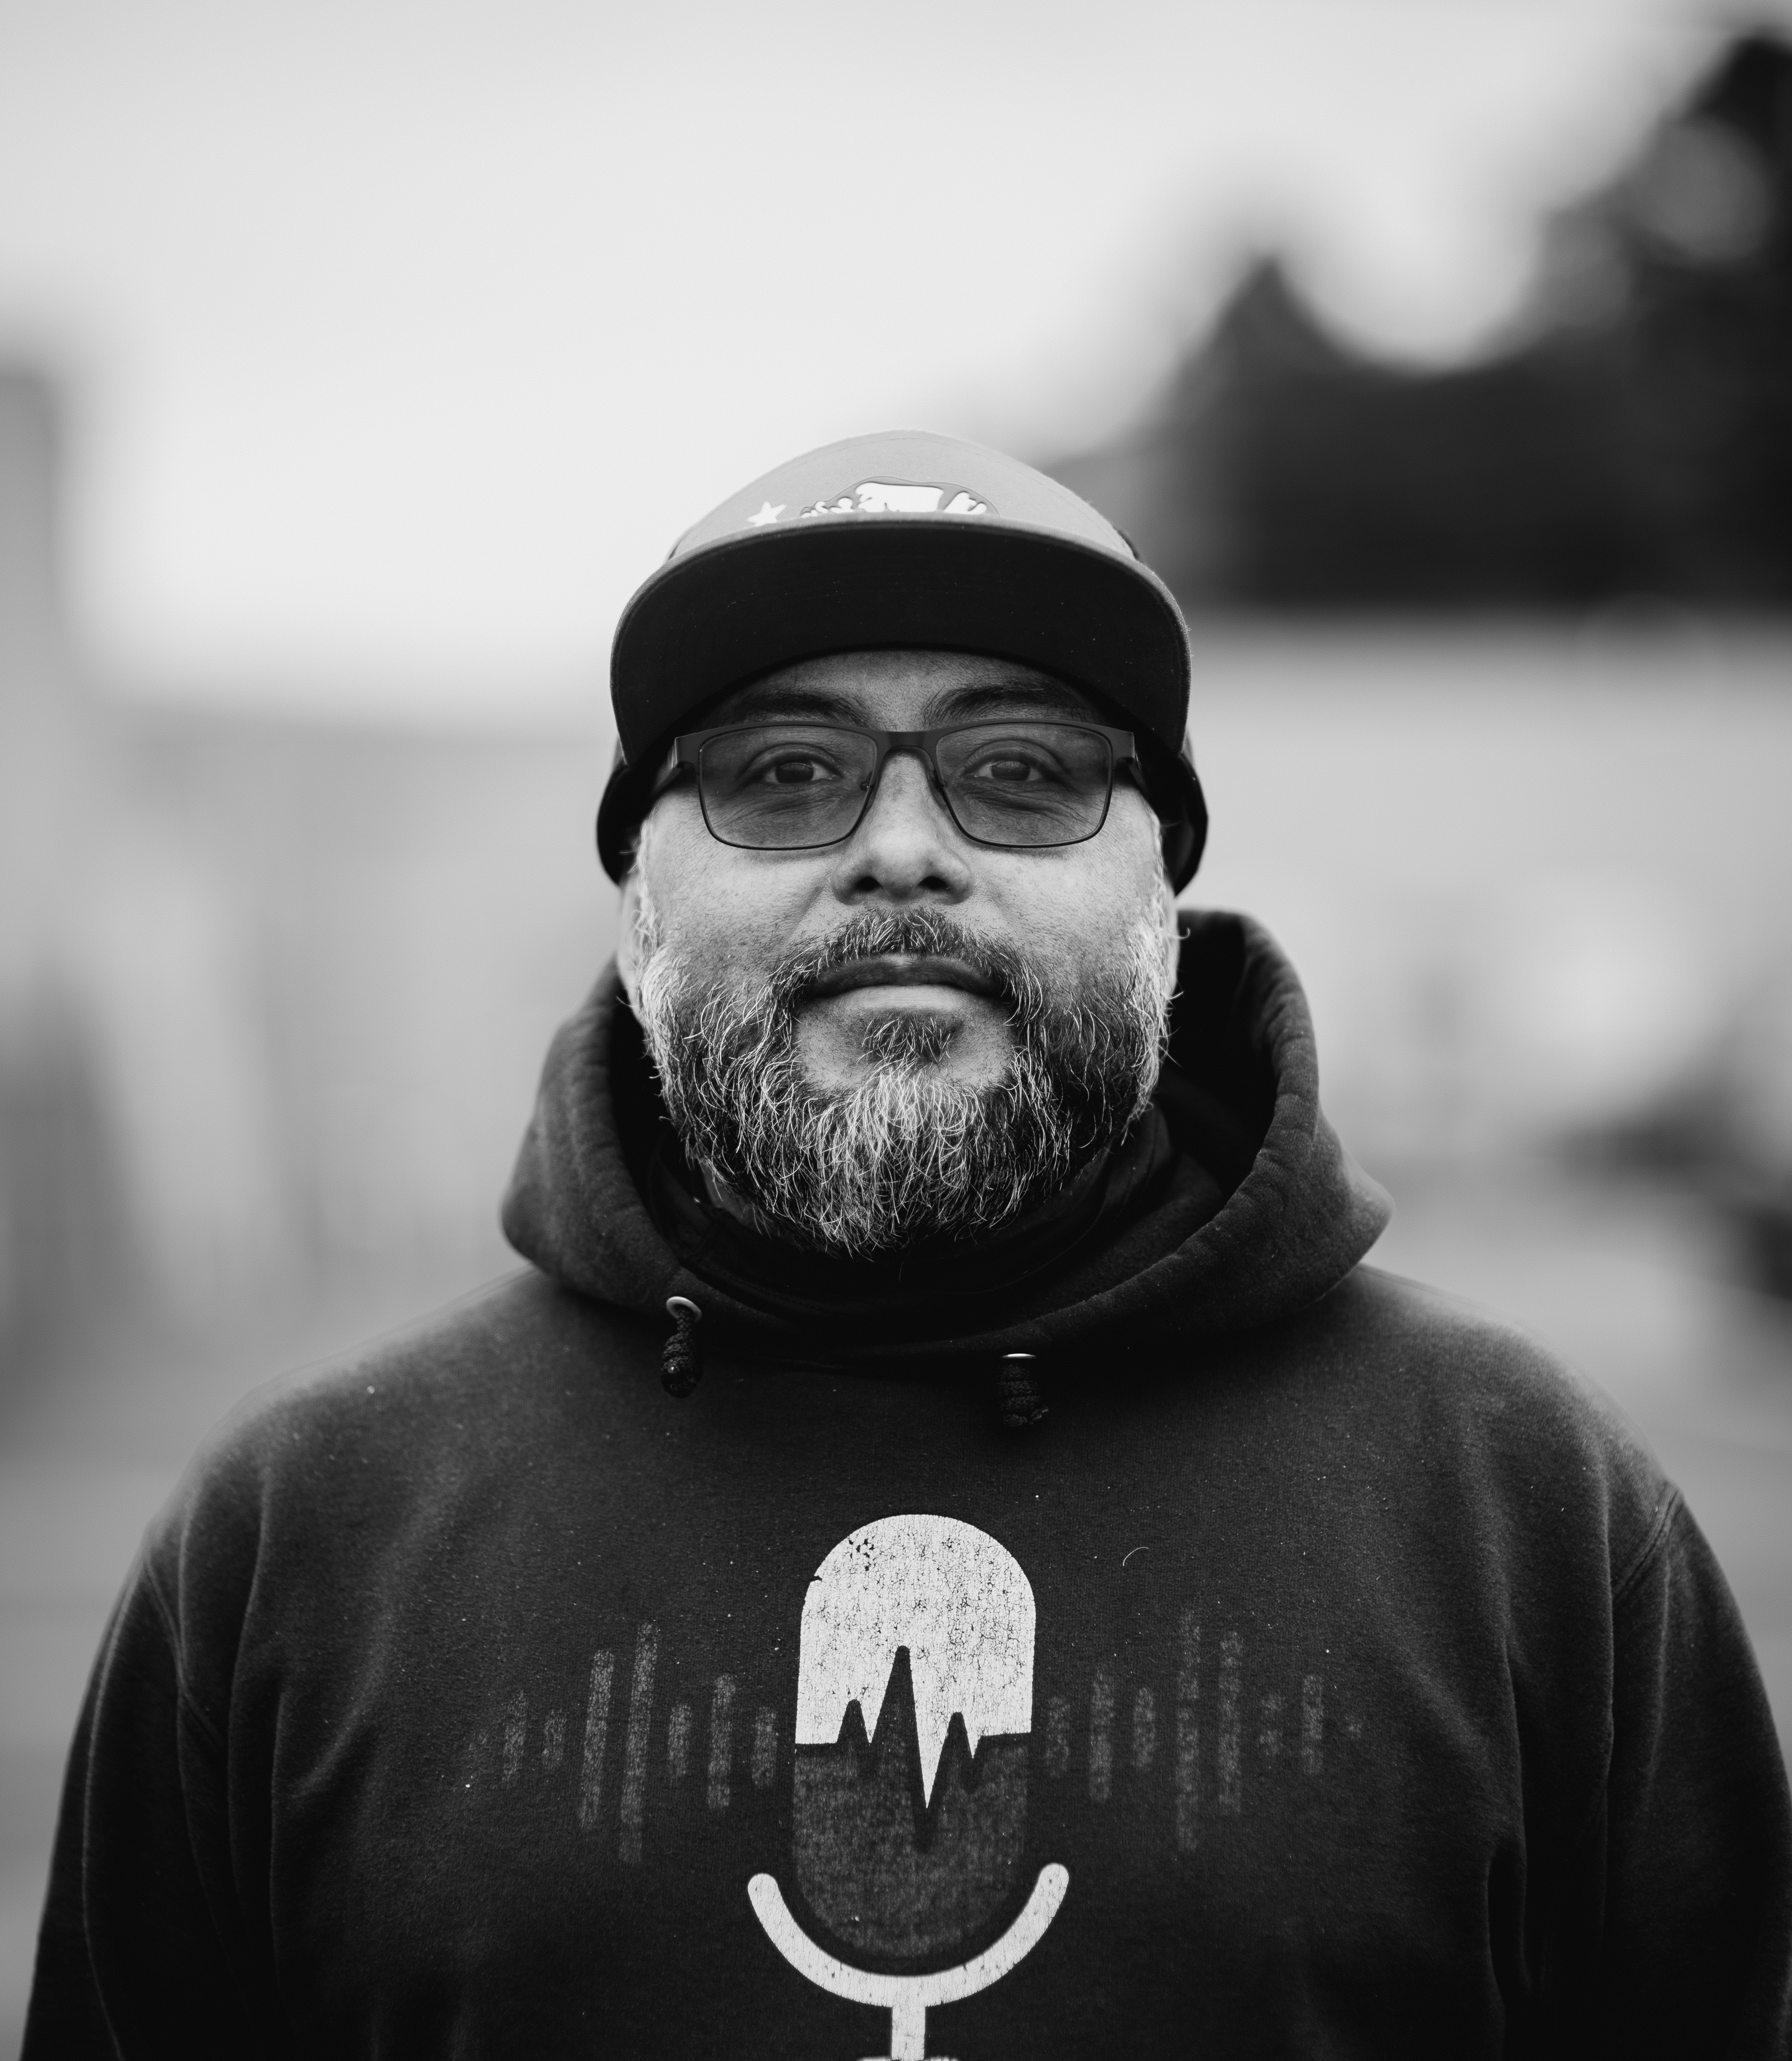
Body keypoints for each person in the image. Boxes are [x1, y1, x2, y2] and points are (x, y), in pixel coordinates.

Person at [26, 432, 1792, 2058]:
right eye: (783, 775)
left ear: (1158, 898)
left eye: (1020, 774)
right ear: (640, 903)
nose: (899, 853)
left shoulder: (1521, 1506)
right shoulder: (308, 1532)